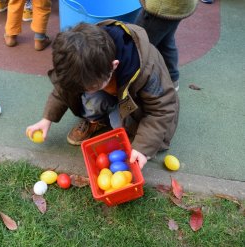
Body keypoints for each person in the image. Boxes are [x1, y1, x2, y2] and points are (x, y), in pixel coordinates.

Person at [26, 21, 179, 169]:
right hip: (117, 95)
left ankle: (126, 129)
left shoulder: (147, 70)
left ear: (114, 65)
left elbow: (161, 110)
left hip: (140, 107)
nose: (85, 92)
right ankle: (98, 120)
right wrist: (47, 119)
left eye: (91, 86)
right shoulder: (83, 58)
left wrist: (142, 148)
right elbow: (64, 88)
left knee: (129, 136)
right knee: (91, 101)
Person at [135, 0, 198, 91]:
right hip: (179, 7)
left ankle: (134, 82)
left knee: (138, 44)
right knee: (166, 40)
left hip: (161, 7)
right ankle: (172, 78)